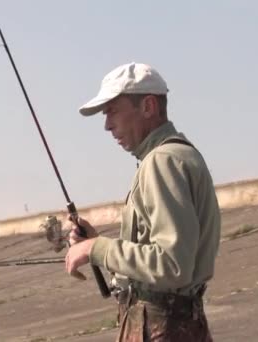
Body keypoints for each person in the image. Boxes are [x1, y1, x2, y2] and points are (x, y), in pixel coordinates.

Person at [65, 62, 221, 341]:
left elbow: (172, 264)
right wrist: (96, 241)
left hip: (164, 328)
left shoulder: (162, 161)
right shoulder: (179, 155)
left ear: (148, 107)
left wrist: (96, 248)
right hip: (179, 324)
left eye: (112, 111)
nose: (106, 125)